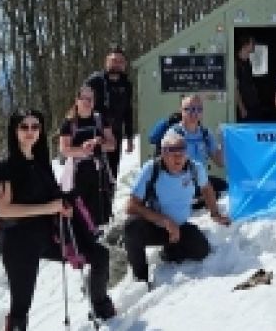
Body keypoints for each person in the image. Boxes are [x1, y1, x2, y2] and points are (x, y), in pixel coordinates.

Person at [0, 108, 114, 331]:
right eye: (23, 126)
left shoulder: (40, 160)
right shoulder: (6, 165)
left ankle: (101, 305)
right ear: (14, 131)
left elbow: (53, 192)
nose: (29, 131)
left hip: (46, 236)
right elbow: (4, 210)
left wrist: (65, 203)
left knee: (98, 254)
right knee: (21, 302)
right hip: (18, 242)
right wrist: (49, 206)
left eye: (35, 126)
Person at [124, 129, 231, 281]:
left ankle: (169, 252)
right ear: (163, 153)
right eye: (172, 153)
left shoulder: (195, 168)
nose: (178, 158)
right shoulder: (151, 169)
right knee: (131, 227)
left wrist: (215, 213)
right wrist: (165, 221)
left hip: (180, 227)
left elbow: (207, 188)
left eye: (182, 153)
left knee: (202, 251)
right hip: (155, 226)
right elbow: (131, 206)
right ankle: (141, 278)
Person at [59, 86, 117, 226]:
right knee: (81, 211)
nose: (87, 102)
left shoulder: (100, 120)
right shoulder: (69, 123)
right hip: (78, 173)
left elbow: (112, 144)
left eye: (90, 99)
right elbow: (64, 150)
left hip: (99, 171)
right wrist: (83, 150)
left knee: (101, 210)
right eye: (83, 98)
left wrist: (98, 144)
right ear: (77, 100)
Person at [85, 46, 134, 181]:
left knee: (111, 174)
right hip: (94, 132)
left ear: (124, 64)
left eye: (120, 61)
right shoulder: (95, 81)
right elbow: (81, 104)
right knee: (94, 173)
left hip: (115, 134)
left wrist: (129, 137)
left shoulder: (126, 85)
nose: (117, 64)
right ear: (106, 62)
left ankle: (109, 201)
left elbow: (128, 111)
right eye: (114, 60)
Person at [171, 94, 228, 203]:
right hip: (180, 183)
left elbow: (220, 162)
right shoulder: (173, 134)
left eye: (199, 109)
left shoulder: (205, 134)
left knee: (225, 187)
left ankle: (201, 200)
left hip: (200, 181)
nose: (195, 113)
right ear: (181, 111)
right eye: (190, 109)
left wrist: (223, 140)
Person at [235, 36, 261, 121]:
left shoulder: (248, 62)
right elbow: (235, 88)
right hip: (244, 108)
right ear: (245, 45)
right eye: (252, 43)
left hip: (253, 105)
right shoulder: (236, 63)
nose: (254, 45)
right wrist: (242, 108)